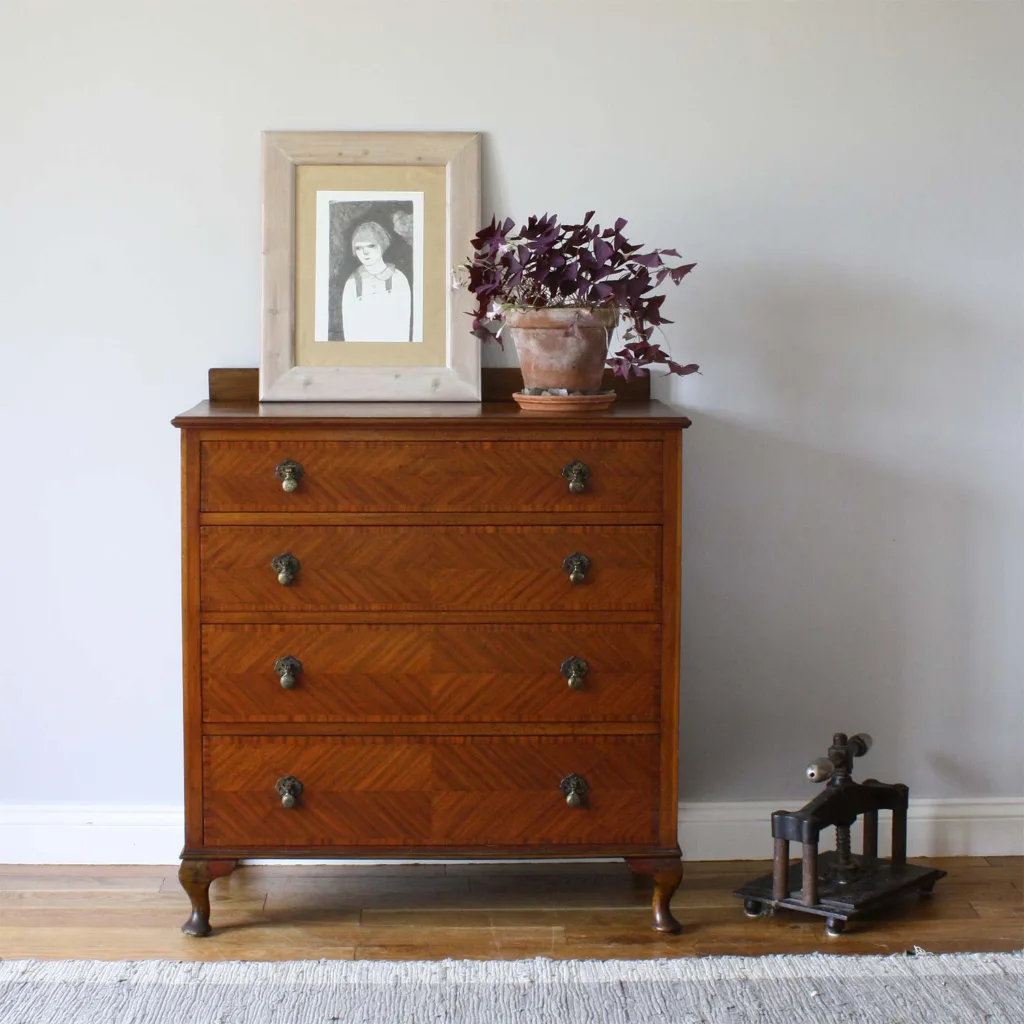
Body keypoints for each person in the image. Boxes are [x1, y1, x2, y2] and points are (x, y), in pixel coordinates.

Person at [340, 221, 412, 342]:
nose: (365, 252)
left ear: (382, 245)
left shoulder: (398, 279)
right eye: (359, 248)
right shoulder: (352, 284)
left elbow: (404, 326)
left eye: (371, 246)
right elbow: (349, 331)